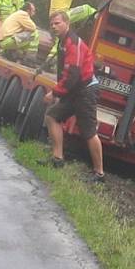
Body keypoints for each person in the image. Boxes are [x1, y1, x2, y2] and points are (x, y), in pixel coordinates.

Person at [43, 10, 105, 183]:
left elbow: (73, 74)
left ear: (67, 23)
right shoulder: (62, 43)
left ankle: (99, 174)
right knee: (52, 116)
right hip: (74, 91)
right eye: (52, 24)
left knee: (89, 132)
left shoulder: (73, 43)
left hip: (85, 91)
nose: (54, 26)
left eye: (57, 23)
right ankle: (57, 159)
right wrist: (60, 93)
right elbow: (63, 72)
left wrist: (55, 92)